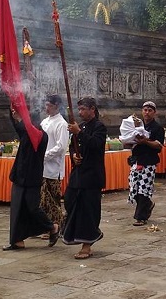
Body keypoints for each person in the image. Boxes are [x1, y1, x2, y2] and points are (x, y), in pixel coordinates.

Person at [5, 106, 56, 251]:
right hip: (20, 175)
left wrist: (20, 117)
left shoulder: (40, 135)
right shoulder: (26, 133)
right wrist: (13, 110)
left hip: (32, 176)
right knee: (17, 208)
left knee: (32, 207)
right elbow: (19, 127)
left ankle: (52, 227)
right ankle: (17, 240)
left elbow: (24, 129)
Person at [62, 97, 107, 259]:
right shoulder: (79, 127)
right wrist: (74, 156)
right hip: (78, 173)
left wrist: (79, 133)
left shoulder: (99, 127)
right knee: (70, 200)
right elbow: (72, 147)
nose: (80, 112)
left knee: (88, 209)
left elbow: (95, 144)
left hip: (92, 175)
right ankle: (84, 234)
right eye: (79, 109)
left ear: (92, 109)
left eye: (83, 109)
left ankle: (86, 244)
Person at [128, 101, 164, 226]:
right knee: (134, 187)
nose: (147, 112)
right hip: (136, 159)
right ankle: (148, 204)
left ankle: (141, 216)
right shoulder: (138, 126)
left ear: (154, 112)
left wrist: (146, 141)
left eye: (149, 110)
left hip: (149, 161)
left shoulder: (157, 128)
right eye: (145, 110)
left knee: (144, 188)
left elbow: (159, 146)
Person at [39, 95, 68, 239]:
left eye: (49, 105)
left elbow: (61, 147)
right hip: (42, 167)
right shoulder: (44, 122)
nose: (46, 108)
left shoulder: (61, 124)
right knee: (42, 199)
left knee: (52, 199)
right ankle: (47, 226)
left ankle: (57, 225)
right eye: (46, 105)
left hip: (53, 167)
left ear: (56, 106)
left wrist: (45, 155)